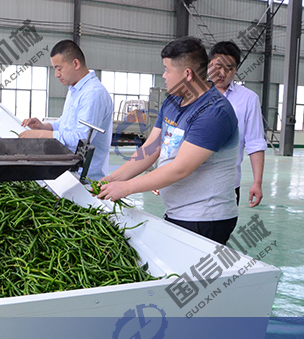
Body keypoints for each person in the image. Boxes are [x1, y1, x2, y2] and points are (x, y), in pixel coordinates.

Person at [97, 37, 240, 245]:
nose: (164, 76)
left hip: (205, 217)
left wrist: (126, 188)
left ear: (187, 74)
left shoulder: (214, 112)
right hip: (178, 211)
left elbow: (180, 169)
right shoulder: (172, 101)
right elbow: (150, 149)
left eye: (167, 70)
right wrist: (113, 179)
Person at [19, 40, 113, 180]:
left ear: (75, 64)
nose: (56, 74)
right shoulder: (75, 89)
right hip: (70, 171)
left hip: (85, 179)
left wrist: (41, 135)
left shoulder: (93, 94)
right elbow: (66, 123)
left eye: (59, 68)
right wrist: (45, 127)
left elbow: (80, 139)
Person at [208, 41, 266, 207]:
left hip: (228, 184)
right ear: (208, 64)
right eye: (218, 66)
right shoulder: (194, 94)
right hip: (192, 181)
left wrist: (257, 182)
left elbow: (255, 142)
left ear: (236, 69)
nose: (222, 73)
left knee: (224, 223)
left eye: (229, 68)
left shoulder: (248, 99)